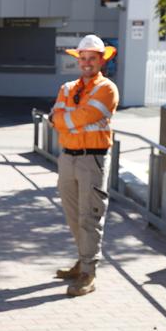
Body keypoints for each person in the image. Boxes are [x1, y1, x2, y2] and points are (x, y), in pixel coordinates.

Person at [49, 34, 119, 297]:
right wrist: (71, 119)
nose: (87, 62)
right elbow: (56, 118)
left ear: (101, 60)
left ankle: (89, 272)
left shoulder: (107, 88)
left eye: (93, 58)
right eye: (83, 58)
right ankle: (83, 259)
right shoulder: (67, 87)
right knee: (73, 214)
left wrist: (67, 118)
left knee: (90, 216)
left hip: (93, 158)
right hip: (67, 158)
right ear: (78, 60)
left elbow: (84, 115)